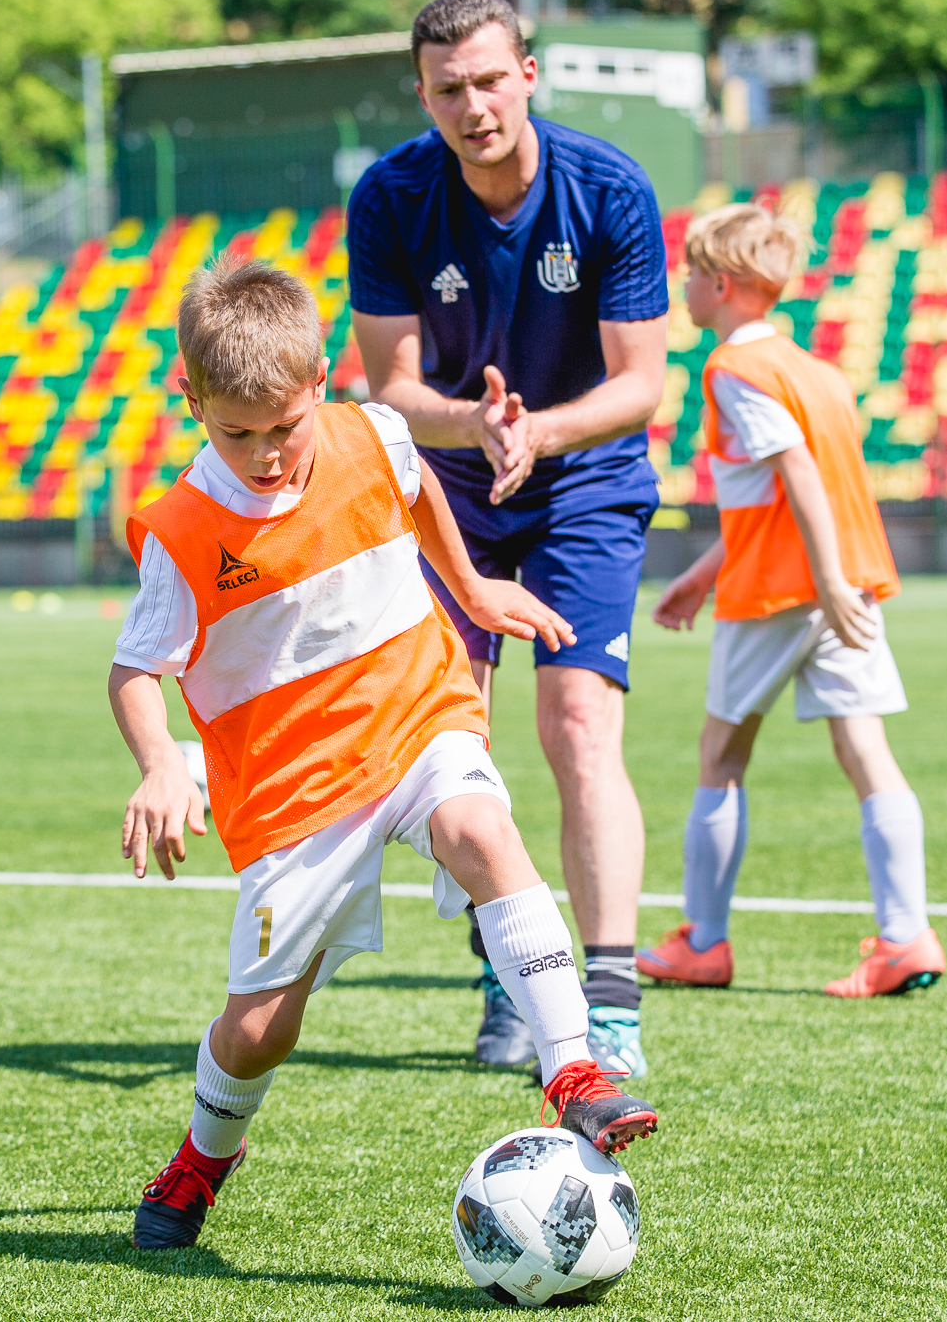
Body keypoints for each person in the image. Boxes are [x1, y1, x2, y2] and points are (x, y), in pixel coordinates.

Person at [112, 257, 656, 1253]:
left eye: (283, 426)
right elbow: (132, 670)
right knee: (259, 1027)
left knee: (481, 829)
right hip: (293, 786)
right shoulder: (183, 531)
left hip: (414, 712)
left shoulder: (374, 430)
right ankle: (201, 1157)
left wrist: (474, 588)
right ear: (190, 401)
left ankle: (573, 1069)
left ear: (319, 380)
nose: (266, 453)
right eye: (236, 433)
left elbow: (414, 496)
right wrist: (158, 762)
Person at [348, 0, 671, 1078]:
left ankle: (612, 1000)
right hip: (449, 487)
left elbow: (639, 387)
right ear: (422, 93)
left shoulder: (609, 189)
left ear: (527, 72)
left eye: (490, 79)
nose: (472, 104)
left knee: (578, 725)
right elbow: (389, 387)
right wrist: (475, 425)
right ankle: (508, 976)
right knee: (459, 744)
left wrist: (535, 430)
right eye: (448, 88)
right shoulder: (389, 196)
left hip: (584, 476)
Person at [639, 204, 946, 997]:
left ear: (722, 283)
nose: (684, 289)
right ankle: (907, 937)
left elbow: (800, 475)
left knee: (721, 754)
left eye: (690, 276)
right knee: (866, 750)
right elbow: (780, 494)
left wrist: (823, 580)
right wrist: (707, 571)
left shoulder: (734, 370)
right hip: (844, 584)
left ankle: (703, 942)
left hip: (787, 590)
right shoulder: (819, 371)